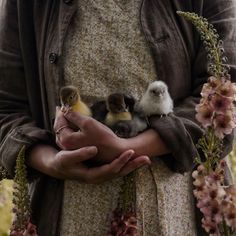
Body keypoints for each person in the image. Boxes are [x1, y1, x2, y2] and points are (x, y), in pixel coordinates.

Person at [0, 0, 235, 235]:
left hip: (179, 211)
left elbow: (225, 96)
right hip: (70, 213)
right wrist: (51, 161)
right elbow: (6, 107)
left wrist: (128, 147)